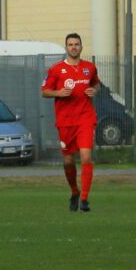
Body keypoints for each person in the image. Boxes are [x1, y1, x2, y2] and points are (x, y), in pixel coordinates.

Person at [41, 33, 100, 212]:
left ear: (81, 47)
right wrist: (58, 93)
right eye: (70, 44)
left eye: (76, 44)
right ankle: (75, 191)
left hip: (85, 118)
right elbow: (44, 91)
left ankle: (84, 199)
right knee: (68, 160)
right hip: (65, 121)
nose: (73, 47)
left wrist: (93, 90)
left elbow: (96, 84)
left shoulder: (89, 68)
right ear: (66, 48)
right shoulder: (56, 69)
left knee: (86, 156)